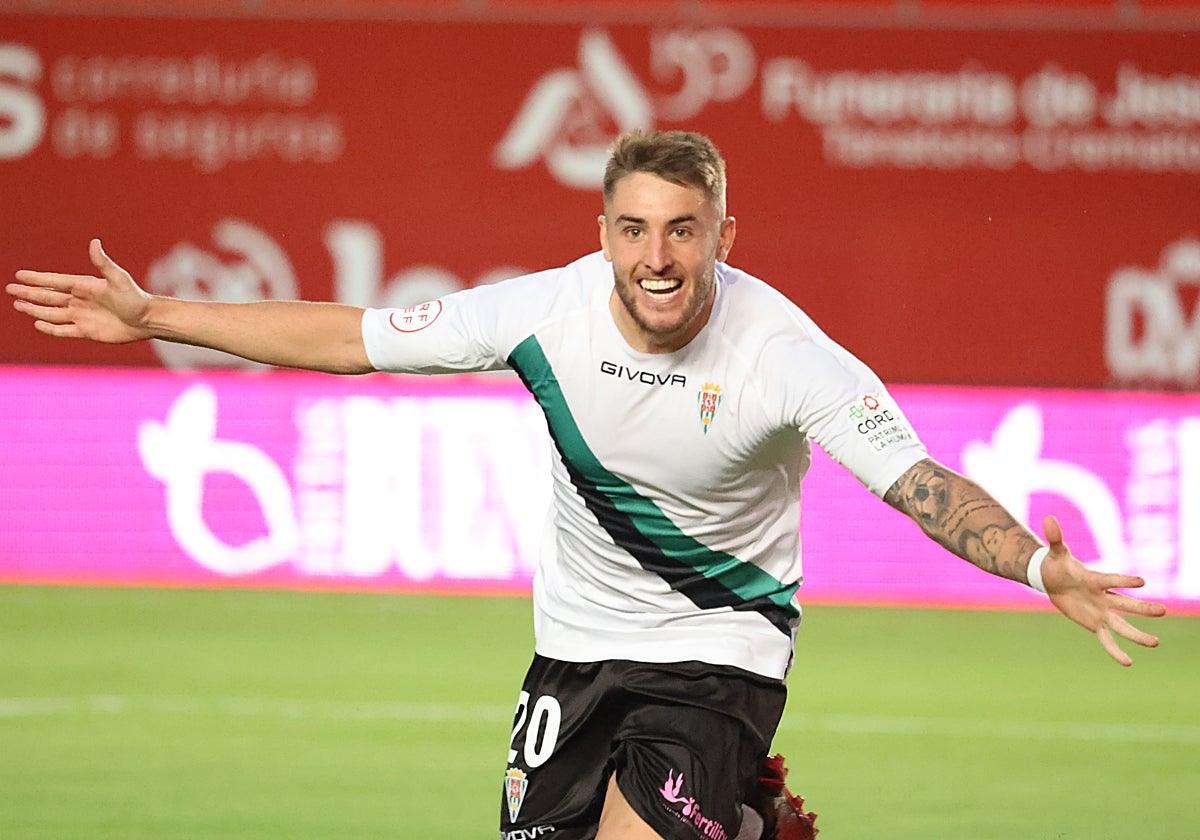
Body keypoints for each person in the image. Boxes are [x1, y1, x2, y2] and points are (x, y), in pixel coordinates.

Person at [6, 130, 1165, 840]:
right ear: (602, 231)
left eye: (683, 231)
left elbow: (917, 481)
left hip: (720, 659)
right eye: (633, 230)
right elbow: (351, 335)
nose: (657, 257)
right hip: (572, 653)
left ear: (723, 234)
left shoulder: (786, 355)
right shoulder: (541, 314)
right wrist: (156, 314)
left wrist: (1035, 562)